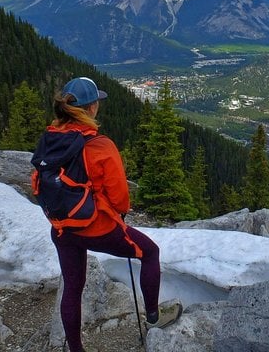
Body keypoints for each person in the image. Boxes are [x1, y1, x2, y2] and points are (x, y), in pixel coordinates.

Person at [39, 76, 182, 352]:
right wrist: (120, 213)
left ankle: (77, 349)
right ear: (91, 108)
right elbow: (119, 197)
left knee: (73, 286)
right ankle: (153, 317)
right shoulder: (100, 145)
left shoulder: (50, 139)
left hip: (62, 228)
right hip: (97, 226)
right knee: (149, 252)